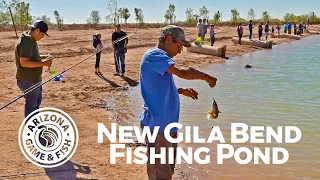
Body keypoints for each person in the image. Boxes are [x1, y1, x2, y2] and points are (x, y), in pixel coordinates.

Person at [139, 25, 217, 180]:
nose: (180, 51)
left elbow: (158, 87)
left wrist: (181, 91)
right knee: (160, 173)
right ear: (169, 40)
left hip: (167, 126)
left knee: (167, 170)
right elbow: (183, 72)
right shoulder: (154, 55)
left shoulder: (159, 60)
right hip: (158, 127)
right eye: (180, 46)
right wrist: (208, 78)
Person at [15, 20, 52, 118]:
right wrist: (43, 63)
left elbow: (31, 56)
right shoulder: (27, 42)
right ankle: (30, 129)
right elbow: (24, 62)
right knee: (31, 106)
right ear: (37, 31)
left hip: (34, 79)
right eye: (42, 34)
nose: (42, 37)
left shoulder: (31, 40)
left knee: (36, 104)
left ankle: (35, 125)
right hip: (28, 80)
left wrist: (44, 57)